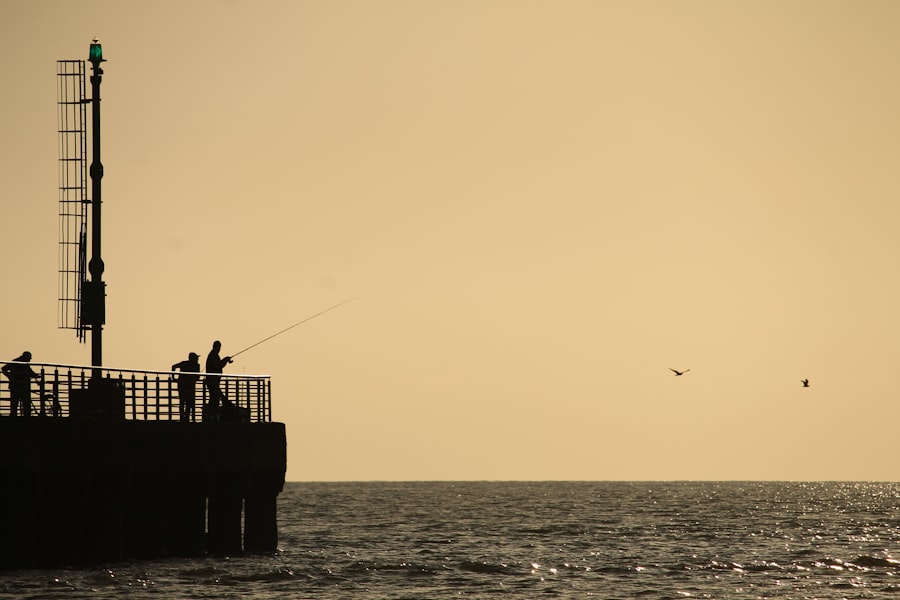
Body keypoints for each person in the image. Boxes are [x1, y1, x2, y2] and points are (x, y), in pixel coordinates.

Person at [2, 351, 40, 417]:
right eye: (29, 358)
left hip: (15, 386)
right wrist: (37, 375)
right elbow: (31, 373)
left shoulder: (15, 362)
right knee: (25, 402)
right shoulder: (23, 364)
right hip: (23, 386)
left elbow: (3, 368)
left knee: (14, 403)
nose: (30, 360)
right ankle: (26, 416)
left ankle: (13, 416)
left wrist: (10, 376)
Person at [172, 352, 201, 422]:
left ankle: (182, 417)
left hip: (182, 385)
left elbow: (173, 367)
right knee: (188, 402)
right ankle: (187, 417)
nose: (197, 359)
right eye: (196, 358)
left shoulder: (184, 363)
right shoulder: (196, 365)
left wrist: (174, 378)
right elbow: (198, 378)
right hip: (189, 386)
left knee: (182, 402)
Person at [205, 341, 233, 410]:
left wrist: (225, 360)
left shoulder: (214, 355)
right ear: (214, 346)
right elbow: (218, 365)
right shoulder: (213, 355)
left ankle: (211, 412)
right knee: (215, 397)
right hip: (212, 381)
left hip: (214, 381)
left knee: (215, 397)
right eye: (218, 347)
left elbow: (219, 365)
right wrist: (225, 359)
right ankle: (211, 412)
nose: (219, 349)